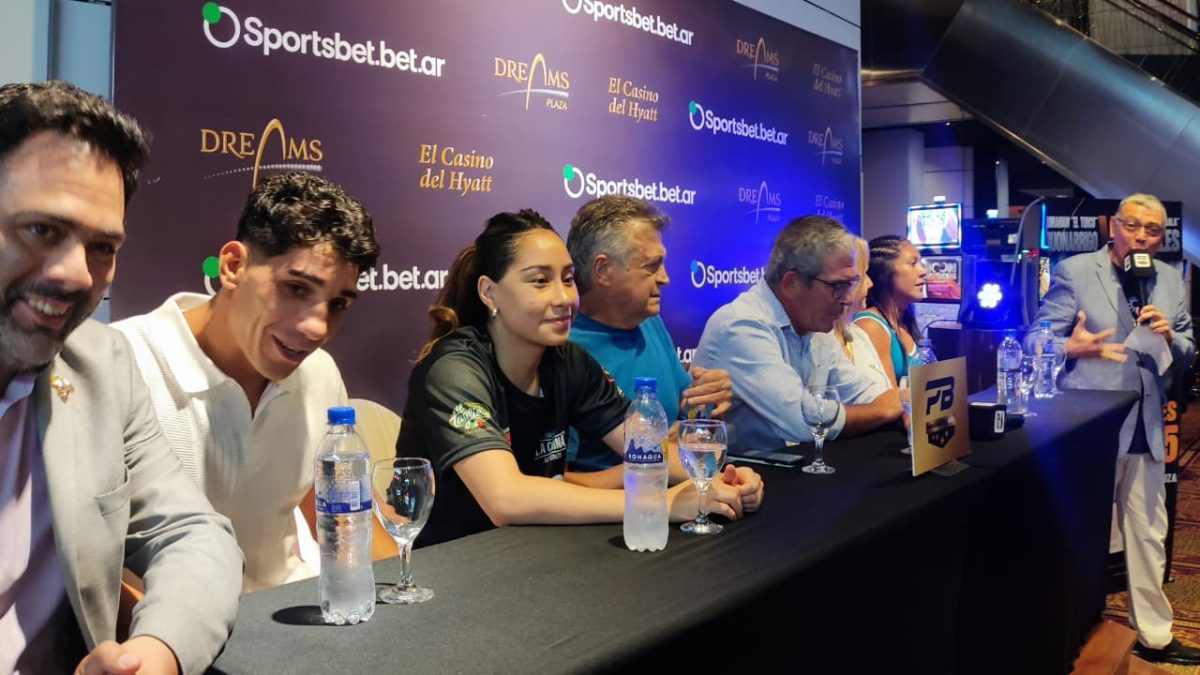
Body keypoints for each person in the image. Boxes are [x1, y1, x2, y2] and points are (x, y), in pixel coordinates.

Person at [0, 80, 241, 674]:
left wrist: (154, 656)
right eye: (42, 229)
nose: (77, 275)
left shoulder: (100, 366)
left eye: (102, 247)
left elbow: (193, 534)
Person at [396, 209, 763, 547]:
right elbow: (506, 500)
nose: (564, 297)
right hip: (450, 560)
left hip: (534, 548)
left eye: (568, 279)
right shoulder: (453, 368)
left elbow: (645, 450)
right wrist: (657, 503)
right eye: (540, 281)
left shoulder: (569, 360)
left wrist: (717, 481)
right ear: (489, 293)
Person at [113, 171, 379, 592]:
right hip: (167, 627)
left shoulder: (320, 372)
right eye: (295, 288)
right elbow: (88, 567)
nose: (318, 328)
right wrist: (166, 628)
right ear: (233, 266)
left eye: (338, 303)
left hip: (292, 611)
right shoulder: (121, 364)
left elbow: (335, 513)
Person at [1032, 193, 1199, 665]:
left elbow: (1188, 345)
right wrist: (1071, 347)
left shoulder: (1169, 277)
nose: (1141, 236)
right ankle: (1067, 630)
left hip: (1147, 424)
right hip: (1090, 427)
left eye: (1153, 230)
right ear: (1113, 227)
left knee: (1148, 533)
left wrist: (1171, 336)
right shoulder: (1075, 271)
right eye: (1132, 226)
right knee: (1079, 535)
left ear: (1162, 238)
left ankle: (1156, 636)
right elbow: (1034, 339)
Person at [693, 215, 903, 451]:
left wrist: (901, 409)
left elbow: (861, 391)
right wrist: (881, 411)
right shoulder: (741, 325)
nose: (847, 299)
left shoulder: (817, 323)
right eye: (838, 286)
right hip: (737, 470)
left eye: (851, 284)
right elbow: (803, 421)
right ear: (791, 283)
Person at [564, 195, 732, 471]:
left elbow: (684, 414)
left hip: (676, 485)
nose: (665, 278)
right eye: (652, 266)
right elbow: (552, 480)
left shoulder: (649, 322)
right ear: (603, 270)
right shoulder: (564, 350)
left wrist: (707, 399)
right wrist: (645, 467)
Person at [853, 235, 927, 388]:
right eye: (912, 263)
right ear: (884, 273)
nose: (923, 271)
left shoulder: (905, 320)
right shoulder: (871, 326)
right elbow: (888, 398)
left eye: (921, 263)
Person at [835, 237, 890, 390]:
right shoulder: (814, 342)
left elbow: (883, 395)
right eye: (863, 274)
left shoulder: (858, 335)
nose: (870, 283)